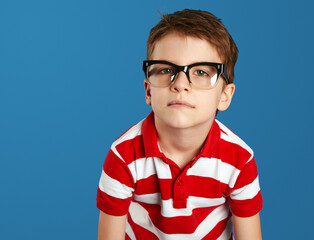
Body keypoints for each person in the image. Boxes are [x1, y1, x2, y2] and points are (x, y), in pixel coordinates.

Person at [96, 9, 263, 240]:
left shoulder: (239, 160)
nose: (181, 84)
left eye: (201, 71)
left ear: (224, 96)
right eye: (166, 70)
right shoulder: (123, 156)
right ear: (148, 91)